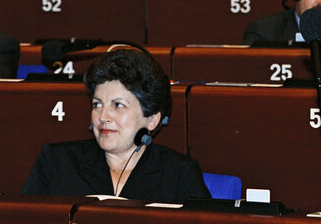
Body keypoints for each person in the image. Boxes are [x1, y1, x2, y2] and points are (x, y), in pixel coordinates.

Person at [22, 48, 210, 203]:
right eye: (97, 104)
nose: (103, 116)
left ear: (152, 119)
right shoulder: (56, 162)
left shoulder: (179, 174)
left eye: (118, 105)